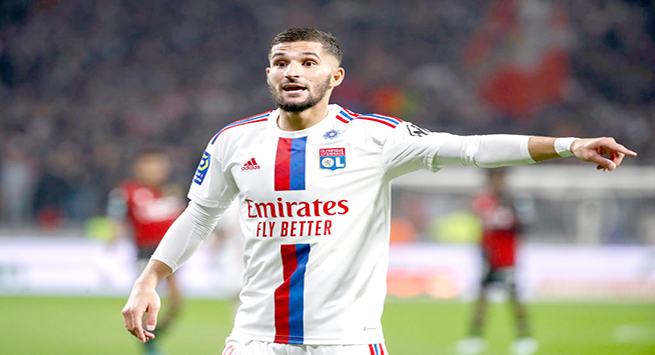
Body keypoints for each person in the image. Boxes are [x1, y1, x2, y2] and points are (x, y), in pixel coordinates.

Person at [121, 28, 637, 355]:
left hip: (348, 341)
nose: (292, 71)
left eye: (308, 61)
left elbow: (474, 149)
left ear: (336, 75)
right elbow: (198, 216)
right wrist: (151, 280)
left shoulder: (375, 137)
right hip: (256, 337)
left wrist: (570, 144)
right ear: (268, 74)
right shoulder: (235, 141)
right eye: (281, 62)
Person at [109, 149, 185, 355]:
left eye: (159, 164)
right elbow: (116, 216)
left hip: (173, 253)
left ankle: (153, 335)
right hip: (147, 252)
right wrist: (113, 236)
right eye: (150, 164)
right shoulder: (127, 191)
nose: (155, 169)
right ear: (139, 167)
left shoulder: (173, 191)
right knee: (147, 301)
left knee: (177, 302)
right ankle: (147, 342)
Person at [457, 168, 536, 355]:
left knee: (514, 299)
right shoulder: (483, 199)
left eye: (498, 177)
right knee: (481, 300)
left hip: (508, 258)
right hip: (489, 257)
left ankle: (524, 337)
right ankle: (474, 338)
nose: (495, 181)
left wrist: (510, 220)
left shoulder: (515, 200)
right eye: (492, 177)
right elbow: (479, 224)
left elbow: (526, 227)